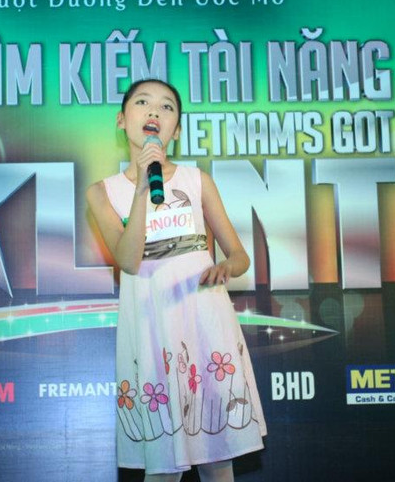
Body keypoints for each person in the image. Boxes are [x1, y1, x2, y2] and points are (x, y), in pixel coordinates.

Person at [86, 79, 267, 482]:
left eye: (167, 107)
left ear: (178, 130)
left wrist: (226, 267)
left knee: (218, 457)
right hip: (152, 326)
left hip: (204, 320)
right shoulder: (102, 193)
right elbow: (128, 260)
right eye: (142, 102)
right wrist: (142, 186)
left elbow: (239, 256)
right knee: (163, 465)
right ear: (121, 120)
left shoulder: (196, 180)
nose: (154, 111)